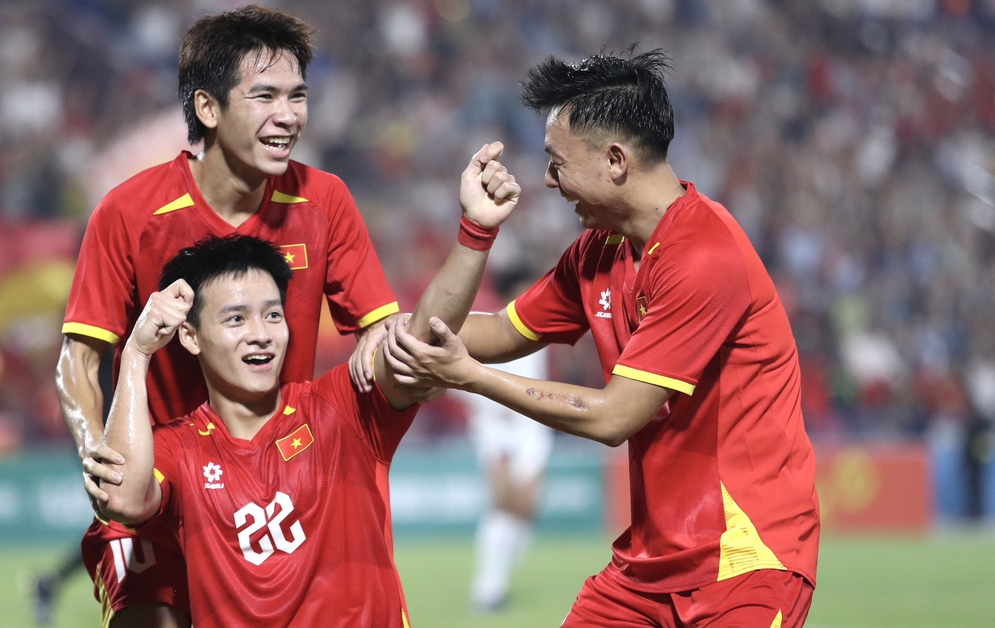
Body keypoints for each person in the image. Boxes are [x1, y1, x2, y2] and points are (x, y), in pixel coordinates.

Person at [385, 48, 820, 627]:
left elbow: (615, 418)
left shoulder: (704, 255)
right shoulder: (601, 249)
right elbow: (497, 331)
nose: (546, 179)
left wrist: (468, 377)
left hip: (743, 564)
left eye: (556, 161)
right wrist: (466, 242)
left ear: (615, 160)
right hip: (648, 566)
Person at [46, 6, 402, 627]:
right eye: (263, 95)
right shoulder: (128, 213)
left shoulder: (326, 201)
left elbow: (378, 331)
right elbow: (78, 358)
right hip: (162, 485)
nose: (287, 115)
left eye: (297, 96)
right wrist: (98, 454)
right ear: (207, 108)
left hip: (287, 483)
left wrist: (382, 369)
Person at [95, 142, 520, 626]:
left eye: (273, 314)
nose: (261, 334)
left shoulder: (342, 407)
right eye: (236, 318)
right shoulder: (178, 448)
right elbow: (125, 501)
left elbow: (420, 339)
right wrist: (136, 353)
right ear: (189, 336)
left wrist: (475, 232)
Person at [464, 271, 554, 613]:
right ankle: (488, 586)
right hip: (497, 428)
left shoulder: (541, 329)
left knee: (525, 507)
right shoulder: (488, 328)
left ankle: (501, 573)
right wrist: (491, 409)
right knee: (503, 502)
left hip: (532, 426)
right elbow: (461, 378)